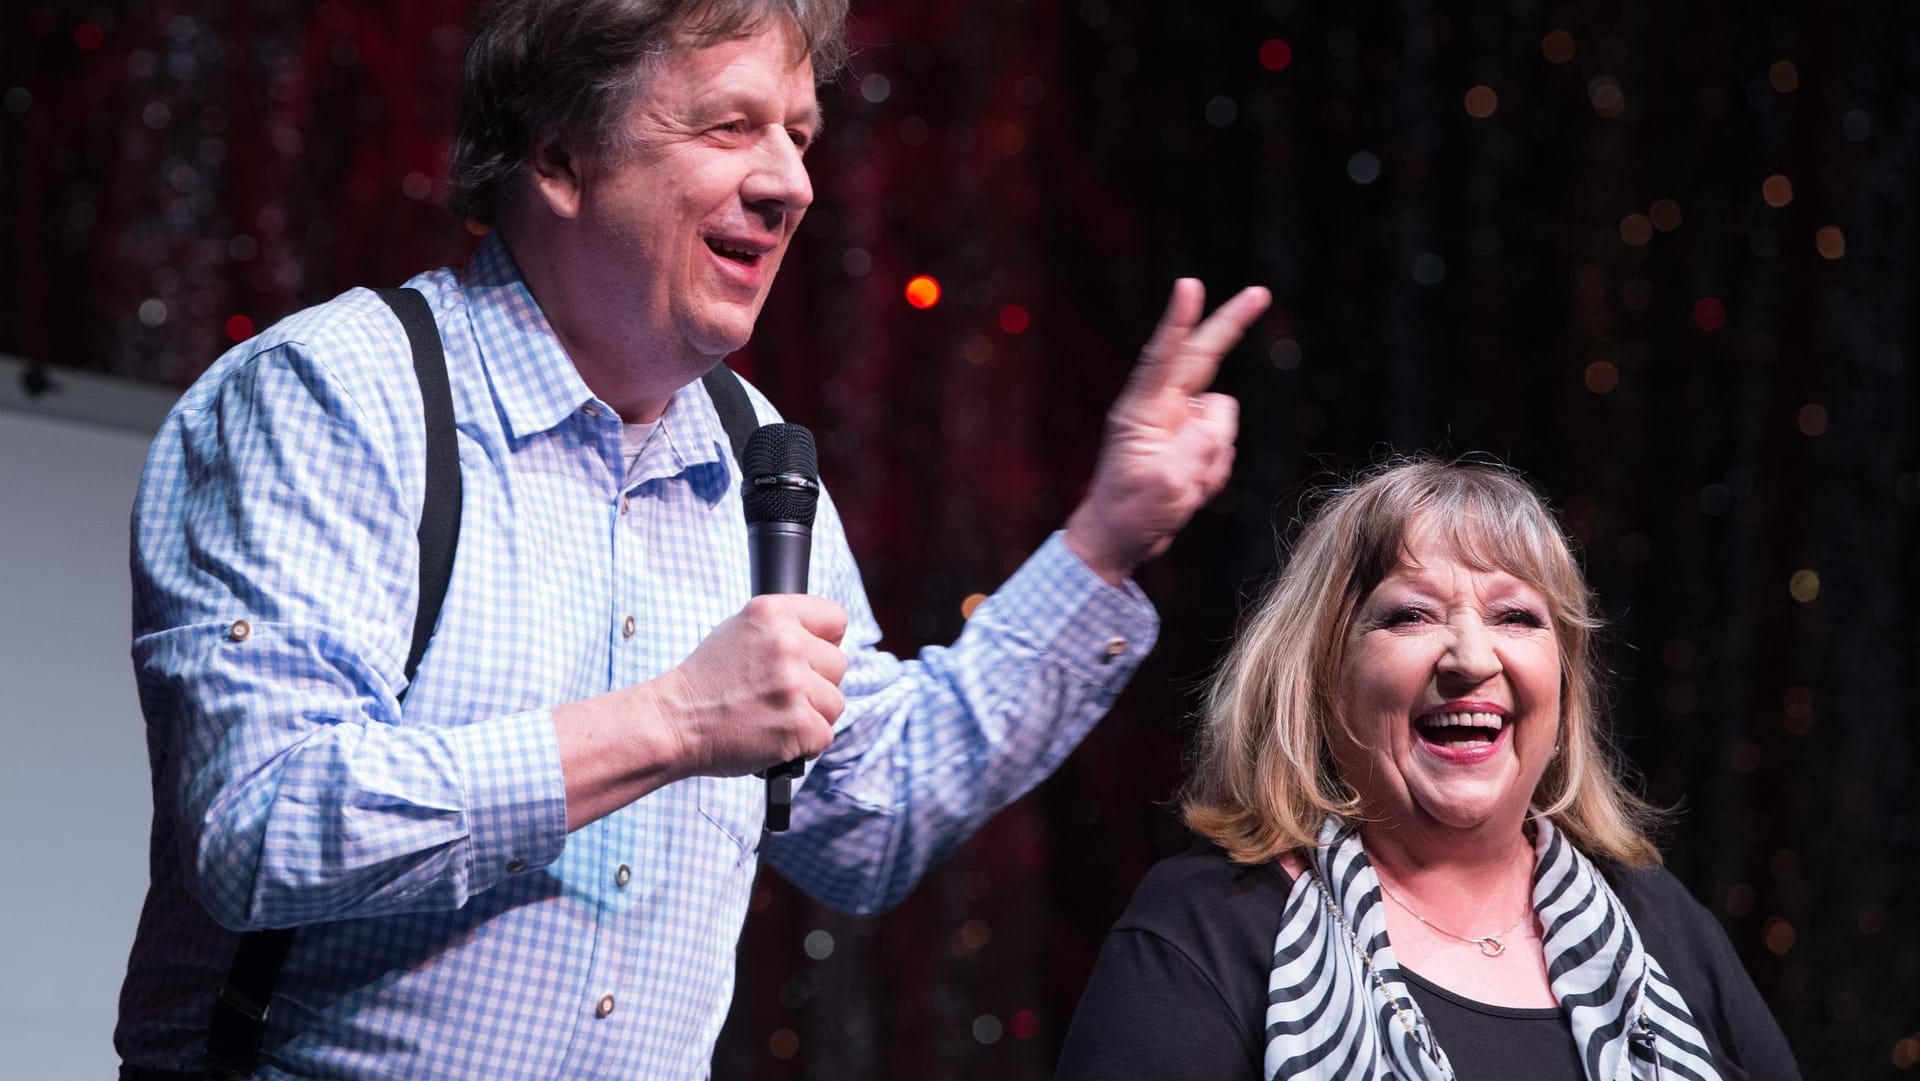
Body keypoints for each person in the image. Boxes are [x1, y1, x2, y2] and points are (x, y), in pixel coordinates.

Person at [112, 1, 1271, 1078]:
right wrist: (670, 723)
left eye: (801, 135)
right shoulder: (333, 394)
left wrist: (1107, 538)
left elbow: (865, 815)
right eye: (731, 125)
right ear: (562, 154)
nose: (792, 183)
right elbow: (258, 826)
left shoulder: (750, 452)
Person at [1054, 459, 1800, 1081]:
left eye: (1516, 617)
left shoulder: (1656, 921)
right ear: (1319, 673)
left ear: (1565, 684)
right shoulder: (1206, 926)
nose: (1473, 658)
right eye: (1411, 615)